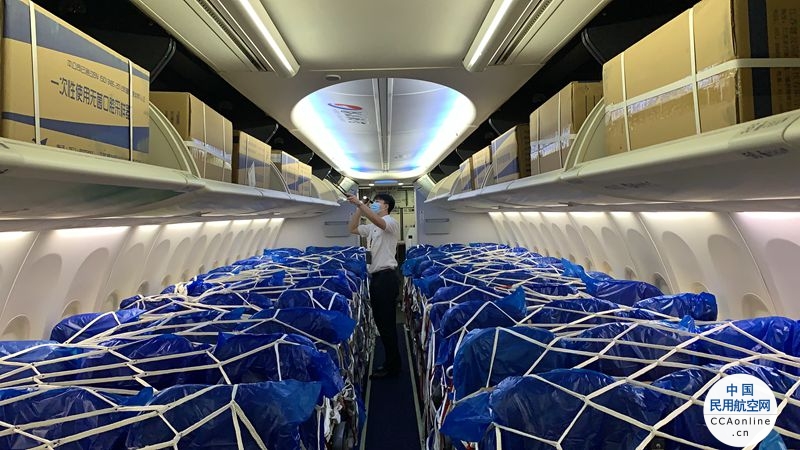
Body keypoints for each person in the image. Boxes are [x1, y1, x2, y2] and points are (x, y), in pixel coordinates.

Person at [347, 192, 401, 379]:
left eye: (378, 202)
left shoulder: (391, 222)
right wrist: (358, 208)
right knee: (381, 322)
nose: (374, 204)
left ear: (386, 206)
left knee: (386, 324)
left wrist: (361, 205)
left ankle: (393, 367)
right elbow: (352, 228)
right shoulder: (371, 228)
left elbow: (378, 221)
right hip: (377, 278)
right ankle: (391, 363)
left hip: (387, 278)